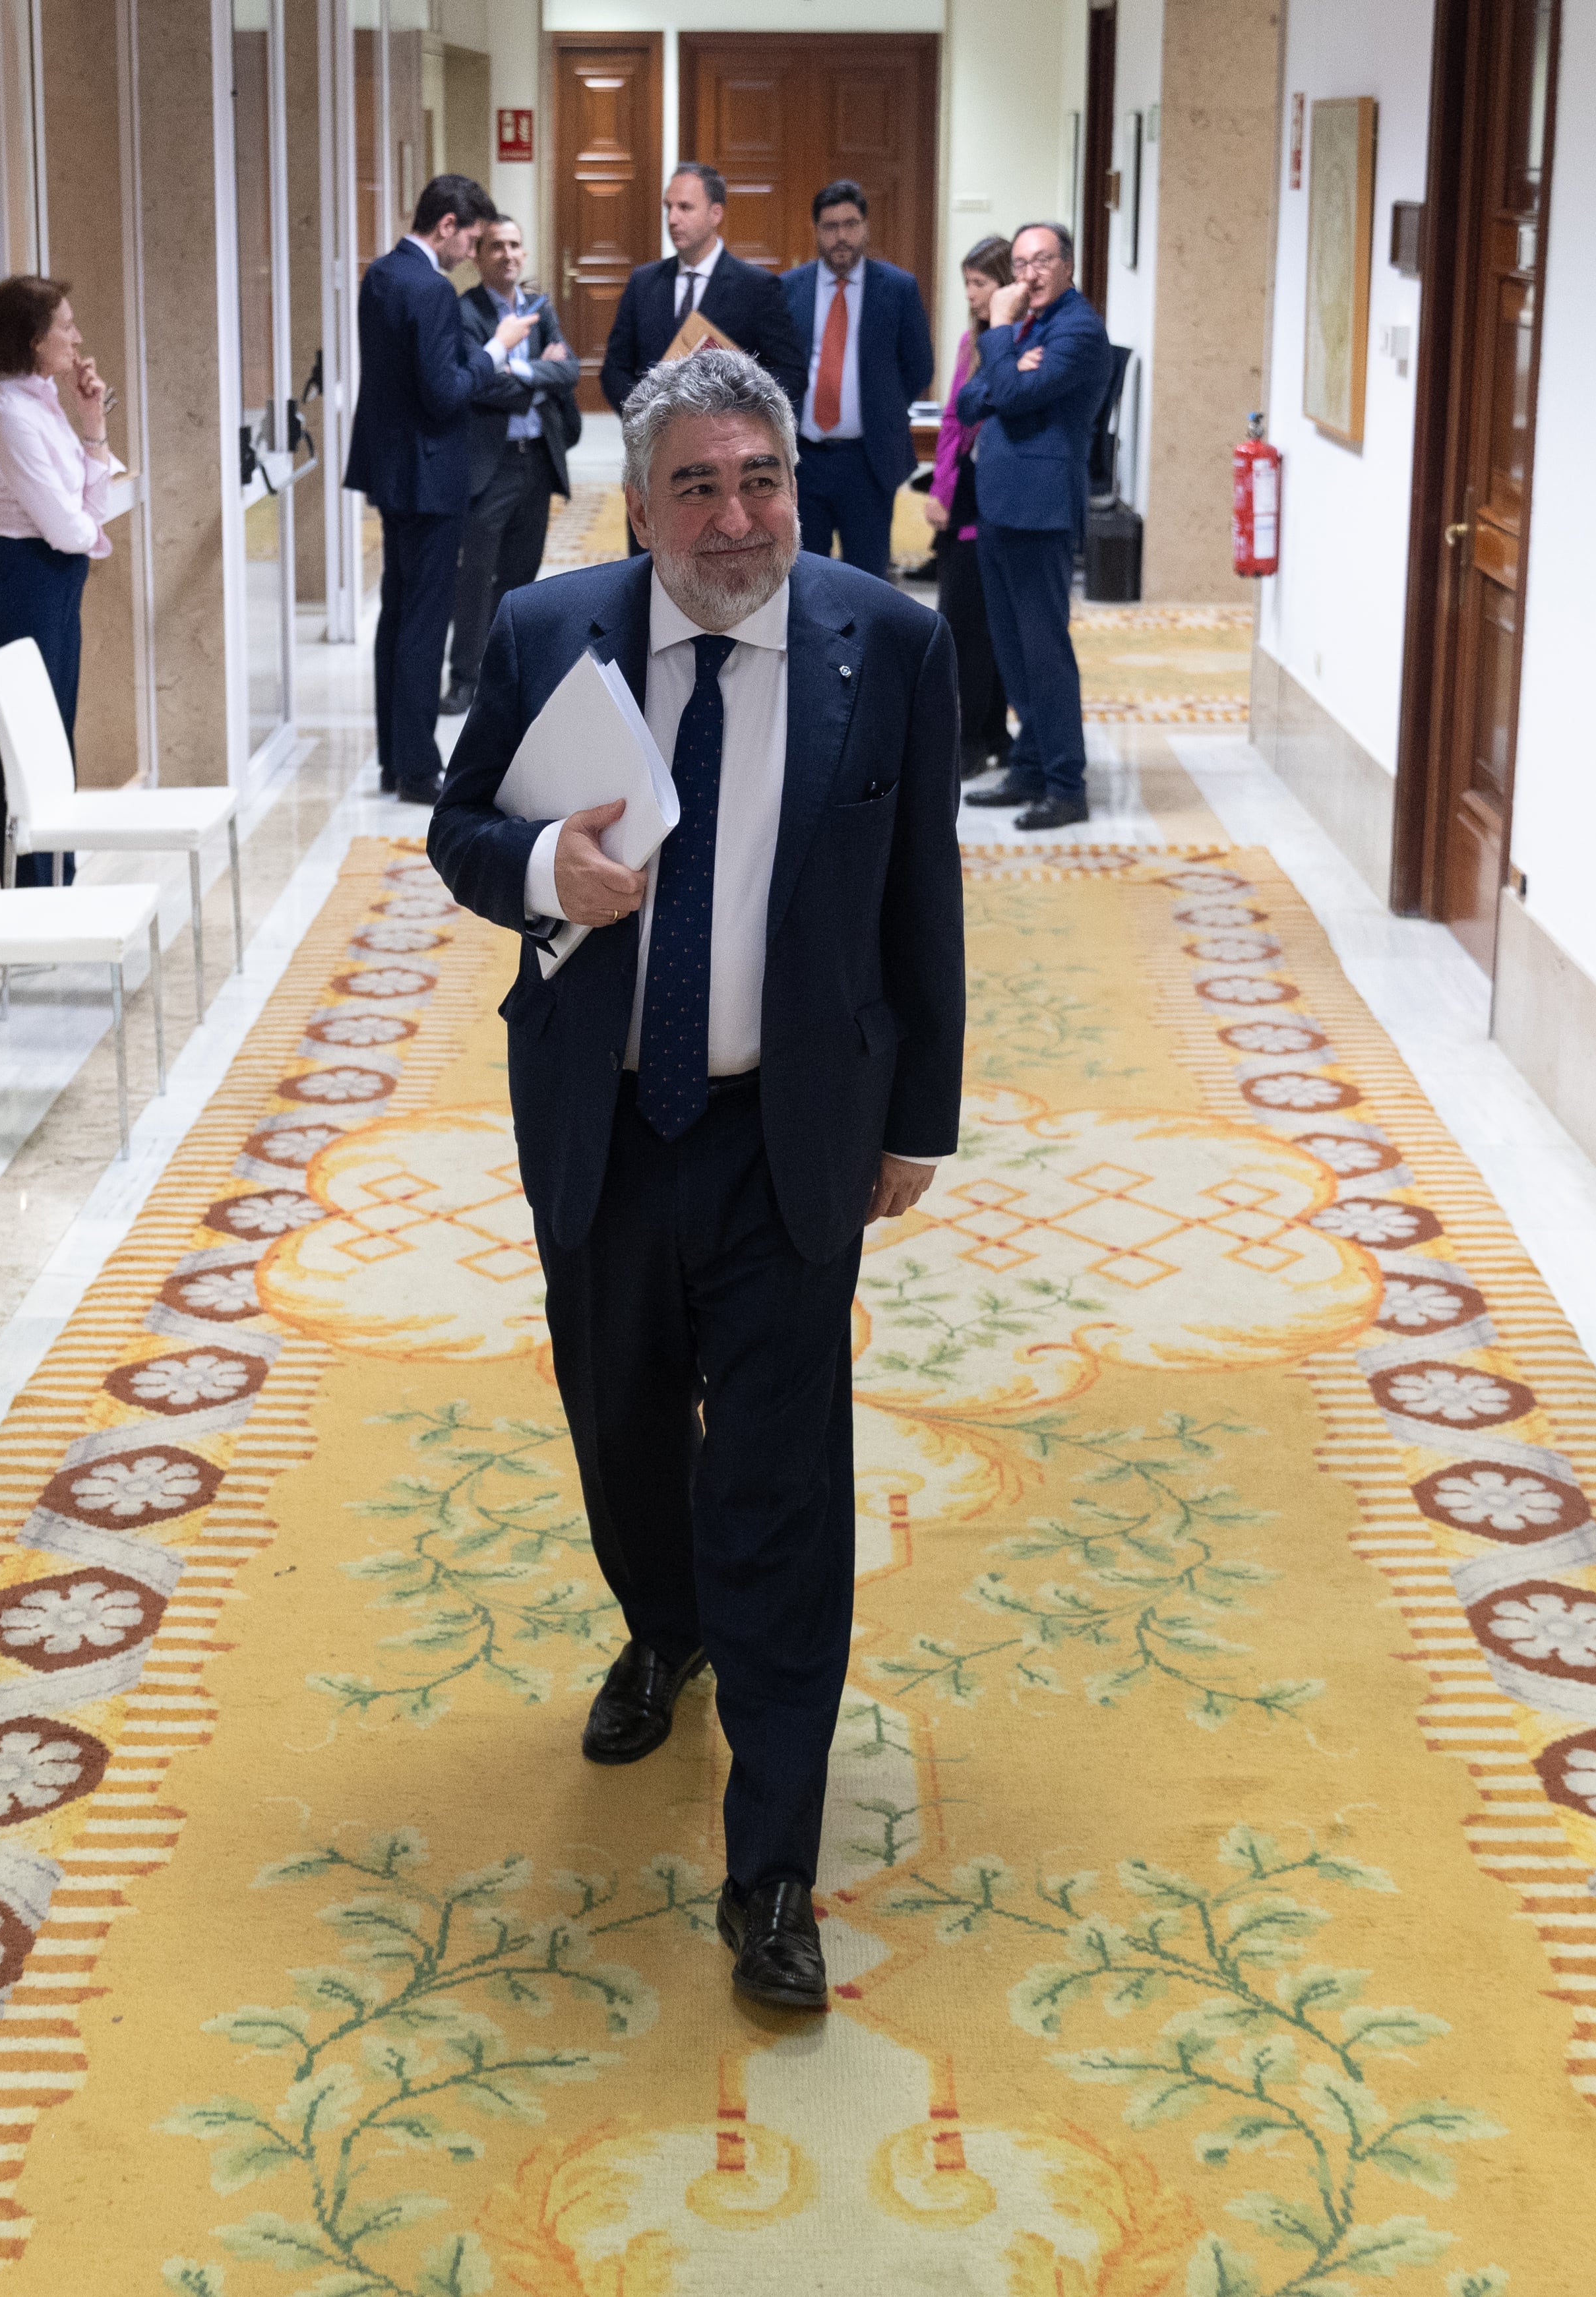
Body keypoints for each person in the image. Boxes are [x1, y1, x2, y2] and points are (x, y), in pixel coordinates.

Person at [427, 350, 964, 2012]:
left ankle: (773, 1874)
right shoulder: (545, 634)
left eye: (763, 481)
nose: (738, 520)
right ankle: (660, 1624)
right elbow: (455, 830)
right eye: (699, 487)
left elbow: (919, 896)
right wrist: (541, 869)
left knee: (785, 1494)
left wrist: (916, 1121)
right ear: (637, 499)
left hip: (785, 1128)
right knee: (620, 1419)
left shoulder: (890, 642)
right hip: (602, 1112)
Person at [344, 174, 536, 801]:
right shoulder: (429, 288)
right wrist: (497, 350)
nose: (469, 253)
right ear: (447, 225)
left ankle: (394, 760)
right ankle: (420, 767)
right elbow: (445, 390)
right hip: (430, 477)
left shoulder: (381, 274)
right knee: (425, 621)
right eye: (471, 238)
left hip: (391, 471)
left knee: (396, 615)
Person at [956, 220, 1113, 832]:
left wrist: (1002, 342)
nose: (1029, 275)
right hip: (999, 505)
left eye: (1042, 260)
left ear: (1067, 265)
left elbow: (1016, 398)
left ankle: (1066, 784)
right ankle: (1027, 766)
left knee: (1044, 651)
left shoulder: (1077, 329)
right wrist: (1010, 363)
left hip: (1041, 510)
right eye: (1020, 263)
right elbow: (973, 401)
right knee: (1012, 649)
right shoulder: (1027, 328)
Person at [0, 274, 122, 885]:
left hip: (54, 578)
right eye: (65, 325)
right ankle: (32, 888)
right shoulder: (8, 413)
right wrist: (83, 514)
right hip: (23, 578)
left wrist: (92, 421)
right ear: (34, 339)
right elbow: (69, 526)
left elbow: (89, 505)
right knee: (25, 741)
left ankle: (58, 879)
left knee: (55, 732)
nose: (77, 336)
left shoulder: (41, 401)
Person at [443, 214, 578, 717]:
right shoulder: (465, 312)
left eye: (515, 245)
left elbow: (568, 369)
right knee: (475, 574)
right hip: (490, 464)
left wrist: (515, 366)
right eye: (496, 246)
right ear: (479, 256)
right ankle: (464, 678)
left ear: (525, 253)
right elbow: (478, 382)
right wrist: (537, 375)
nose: (507, 254)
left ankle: (508, 674)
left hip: (536, 461)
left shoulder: (540, 308)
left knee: (521, 576)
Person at [779, 180, 933, 580]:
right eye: (830, 226)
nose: (842, 236)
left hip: (869, 460)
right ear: (815, 230)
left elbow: (919, 366)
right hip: (802, 459)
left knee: (867, 582)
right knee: (800, 576)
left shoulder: (898, 289)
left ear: (865, 227)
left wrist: (881, 406)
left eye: (851, 224)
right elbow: (774, 364)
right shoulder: (789, 288)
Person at [593, 165, 808, 423]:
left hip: (728, 439)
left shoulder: (757, 288)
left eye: (685, 208)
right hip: (657, 443)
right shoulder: (644, 282)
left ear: (716, 214)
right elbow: (615, 369)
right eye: (668, 207)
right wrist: (644, 418)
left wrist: (742, 417)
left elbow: (791, 373)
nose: (672, 219)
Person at [927, 236, 1016, 779]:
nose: (971, 294)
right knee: (961, 623)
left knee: (995, 623)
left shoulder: (1018, 345)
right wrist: (939, 489)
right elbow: (955, 422)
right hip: (965, 502)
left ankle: (991, 732)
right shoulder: (970, 344)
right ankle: (967, 735)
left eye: (980, 284)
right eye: (968, 284)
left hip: (1002, 498)